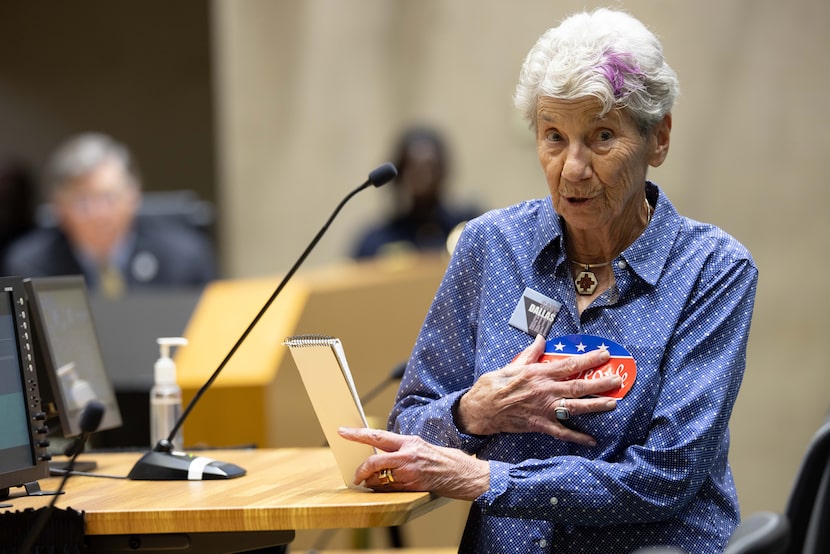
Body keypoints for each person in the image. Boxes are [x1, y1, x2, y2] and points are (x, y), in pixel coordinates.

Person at [339, 8, 758, 553]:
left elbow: (667, 474)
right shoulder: (492, 247)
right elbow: (409, 426)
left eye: (602, 136)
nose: (573, 168)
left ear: (659, 138)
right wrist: (473, 412)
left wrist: (488, 479)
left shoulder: (712, 270)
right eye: (554, 136)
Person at [1, 133, 217, 296]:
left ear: (134, 195)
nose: (99, 213)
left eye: (109, 197)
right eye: (82, 201)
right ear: (59, 207)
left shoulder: (184, 258)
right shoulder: (30, 267)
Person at [351, 126, 480, 259]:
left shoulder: (469, 228)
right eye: (413, 168)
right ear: (399, 175)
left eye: (430, 168)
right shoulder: (377, 241)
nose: (423, 176)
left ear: (443, 171)